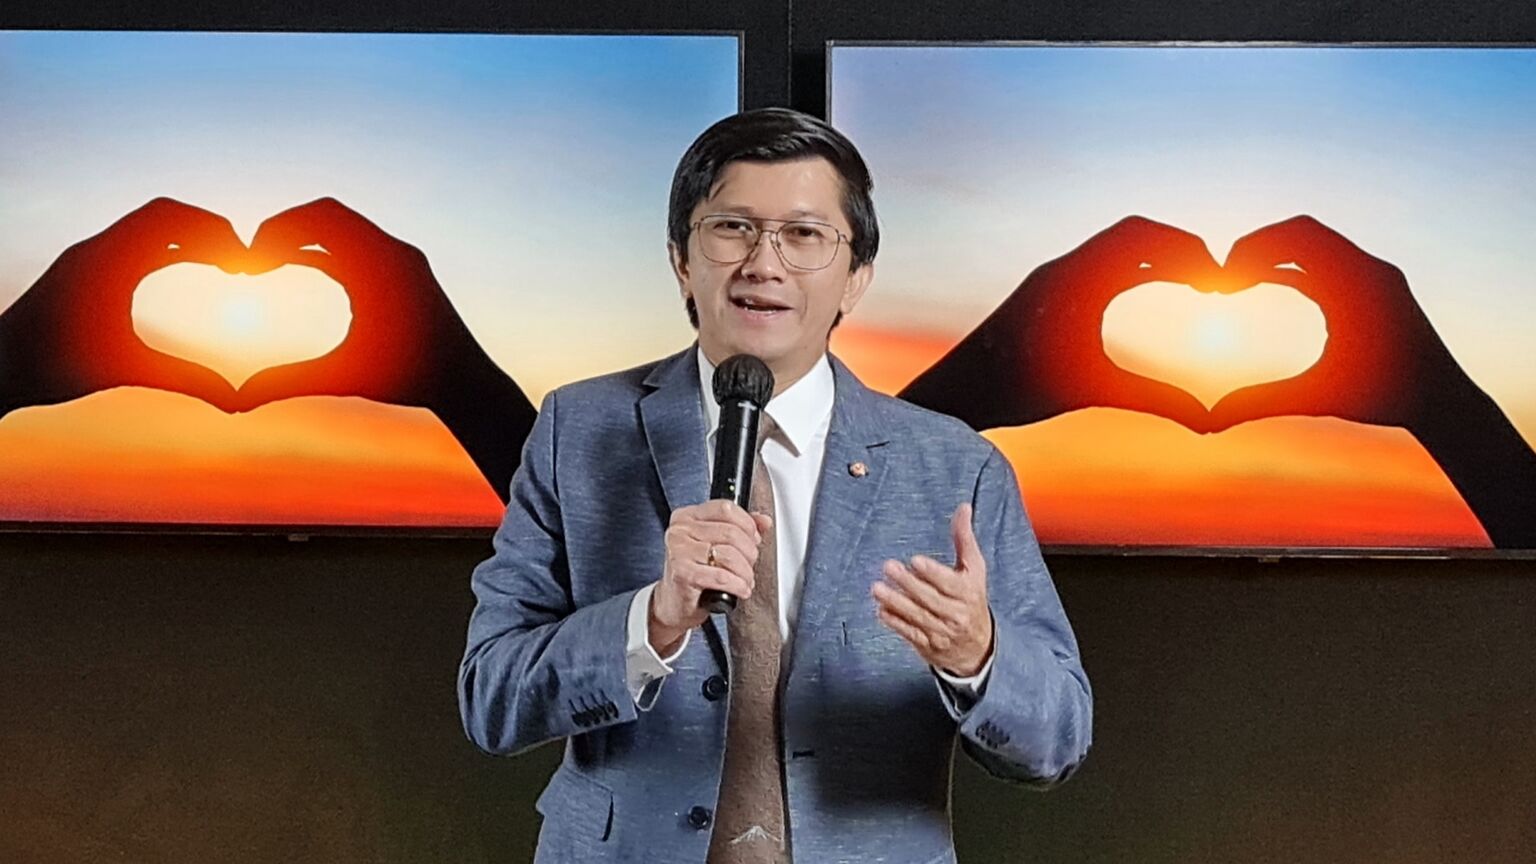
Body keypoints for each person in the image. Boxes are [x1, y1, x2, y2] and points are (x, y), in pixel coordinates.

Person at [456, 107, 1093, 864]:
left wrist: (977, 654)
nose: (765, 263)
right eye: (733, 228)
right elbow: (491, 700)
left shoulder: (956, 467)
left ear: (856, 278)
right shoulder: (578, 430)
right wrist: (651, 621)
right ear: (681, 260)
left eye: (804, 234)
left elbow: (1056, 742)